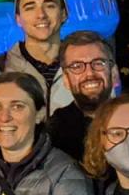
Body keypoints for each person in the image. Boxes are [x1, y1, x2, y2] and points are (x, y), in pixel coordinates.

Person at [48, 30, 120, 161]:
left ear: (114, 73)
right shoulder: (52, 135)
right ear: (66, 80)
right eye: (77, 66)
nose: (89, 74)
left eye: (98, 63)